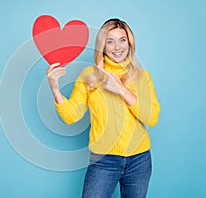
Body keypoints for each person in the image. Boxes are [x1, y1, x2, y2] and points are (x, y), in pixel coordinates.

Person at [46, 18, 160, 198]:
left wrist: (121, 90)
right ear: (103, 46)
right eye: (110, 41)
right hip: (103, 160)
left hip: (140, 160)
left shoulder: (142, 76)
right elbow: (71, 116)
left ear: (129, 43)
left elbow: (152, 117)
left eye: (122, 40)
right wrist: (55, 89)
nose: (117, 47)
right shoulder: (89, 76)